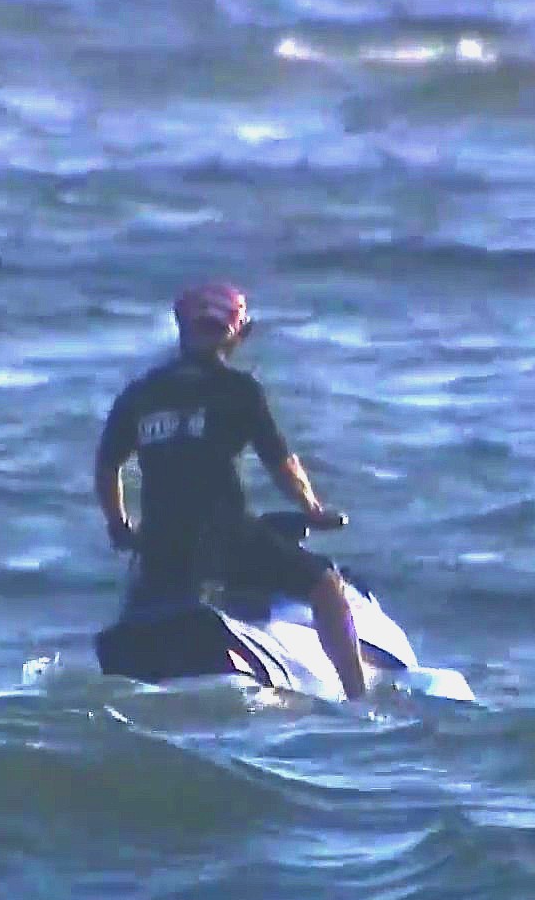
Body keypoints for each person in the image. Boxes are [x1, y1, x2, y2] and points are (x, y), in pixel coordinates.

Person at [92, 281, 368, 699]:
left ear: (181, 325)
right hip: (226, 537)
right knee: (327, 585)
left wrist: (119, 526)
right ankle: (358, 701)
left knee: (142, 600)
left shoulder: (140, 394)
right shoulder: (239, 390)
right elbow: (281, 463)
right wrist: (312, 509)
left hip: (160, 547)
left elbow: (107, 463)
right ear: (241, 332)